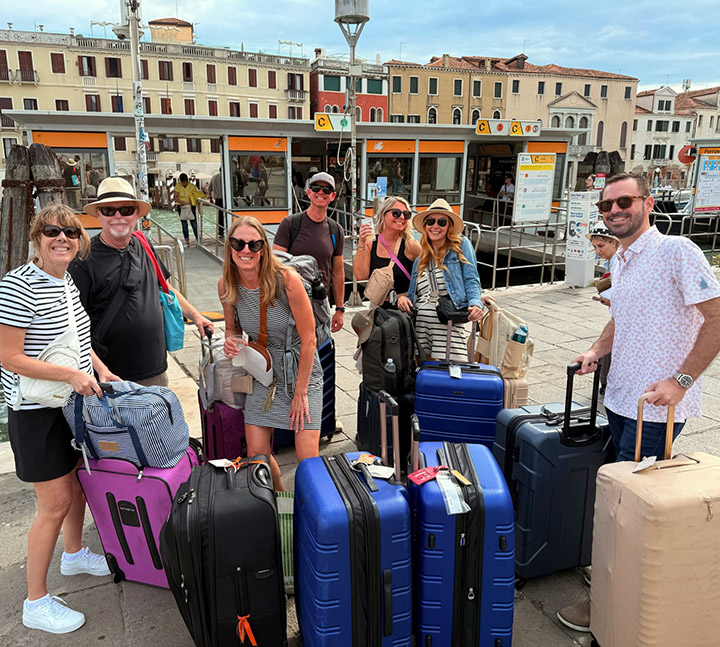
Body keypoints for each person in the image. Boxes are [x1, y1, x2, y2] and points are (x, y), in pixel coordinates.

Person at [557, 173, 720, 632]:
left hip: (656, 407)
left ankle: (611, 605)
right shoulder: (623, 258)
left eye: (624, 201)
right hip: (620, 398)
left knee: (625, 508)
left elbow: (716, 317)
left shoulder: (677, 251)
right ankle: (620, 583)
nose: (614, 211)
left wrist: (681, 381)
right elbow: (619, 317)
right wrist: (595, 350)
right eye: (606, 205)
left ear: (647, 204)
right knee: (621, 497)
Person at [0, 204, 122, 635]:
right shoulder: (18, 285)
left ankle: (72, 555)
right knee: (52, 505)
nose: (62, 238)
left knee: (75, 485)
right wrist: (71, 375)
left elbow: (74, 341)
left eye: (70, 232)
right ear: (37, 237)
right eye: (52, 231)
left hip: (68, 404)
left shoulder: (66, 280)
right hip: (36, 411)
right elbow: (9, 357)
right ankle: (35, 602)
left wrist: (99, 369)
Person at [69, 176, 213, 386]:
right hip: (111, 376)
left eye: (126, 210)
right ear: (98, 214)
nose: (118, 216)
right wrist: (99, 370)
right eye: (109, 210)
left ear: (136, 213)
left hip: (155, 369)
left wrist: (195, 315)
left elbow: (164, 287)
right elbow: (72, 327)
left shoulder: (143, 244)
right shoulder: (82, 261)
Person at [219, 216, 323, 491]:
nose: (246, 250)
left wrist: (300, 392)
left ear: (263, 248)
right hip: (263, 370)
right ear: (229, 247)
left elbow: (310, 340)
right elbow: (231, 329)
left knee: (307, 458)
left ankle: (311, 508)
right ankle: (281, 501)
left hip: (300, 367)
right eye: (238, 243)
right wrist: (230, 341)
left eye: (253, 244)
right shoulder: (226, 285)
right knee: (257, 456)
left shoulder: (287, 280)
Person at [397, 198, 484, 360]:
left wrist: (475, 303)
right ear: (425, 226)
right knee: (426, 373)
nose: (435, 226)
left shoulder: (461, 246)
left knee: (454, 372)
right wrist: (403, 300)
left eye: (442, 222)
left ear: (449, 226)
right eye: (430, 221)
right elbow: (413, 295)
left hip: (448, 325)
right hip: (421, 328)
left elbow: (472, 279)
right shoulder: (420, 260)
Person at [273, 171, 345, 334]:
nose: (321, 192)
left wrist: (339, 309)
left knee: (321, 346)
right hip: (291, 304)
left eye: (327, 190)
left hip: (320, 305)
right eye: (316, 188)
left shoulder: (336, 230)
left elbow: (338, 272)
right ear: (309, 192)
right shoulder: (290, 224)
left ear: (333, 196)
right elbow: (276, 266)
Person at [353, 196, 421, 308]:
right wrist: (361, 242)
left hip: (403, 310)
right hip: (378, 309)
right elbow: (361, 276)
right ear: (383, 214)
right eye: (396, 213)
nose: (402, 217)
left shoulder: (410, 245)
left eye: (406, 214)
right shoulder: (371, 243)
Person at [173, 172, 205, 247]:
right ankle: (187, 240)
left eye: (185, 182)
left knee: (194, 223)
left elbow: (195, 196)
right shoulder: (178, 186)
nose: (184, 183)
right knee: (184, 224)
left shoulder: (192, 186)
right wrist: (182, 202)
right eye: (183, 182)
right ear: (180, 181)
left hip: (191, 206)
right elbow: (175, 197)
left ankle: (198, 239)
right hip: (182, 207)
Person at [208, 169, 225, 239]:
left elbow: (209, 189)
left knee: (219, 216)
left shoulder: (214, 177)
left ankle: (220, 232)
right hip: (224, 199)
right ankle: (226, 230)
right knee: (225, 215)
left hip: (217, 199)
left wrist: (210, 198)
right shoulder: (225, 177)